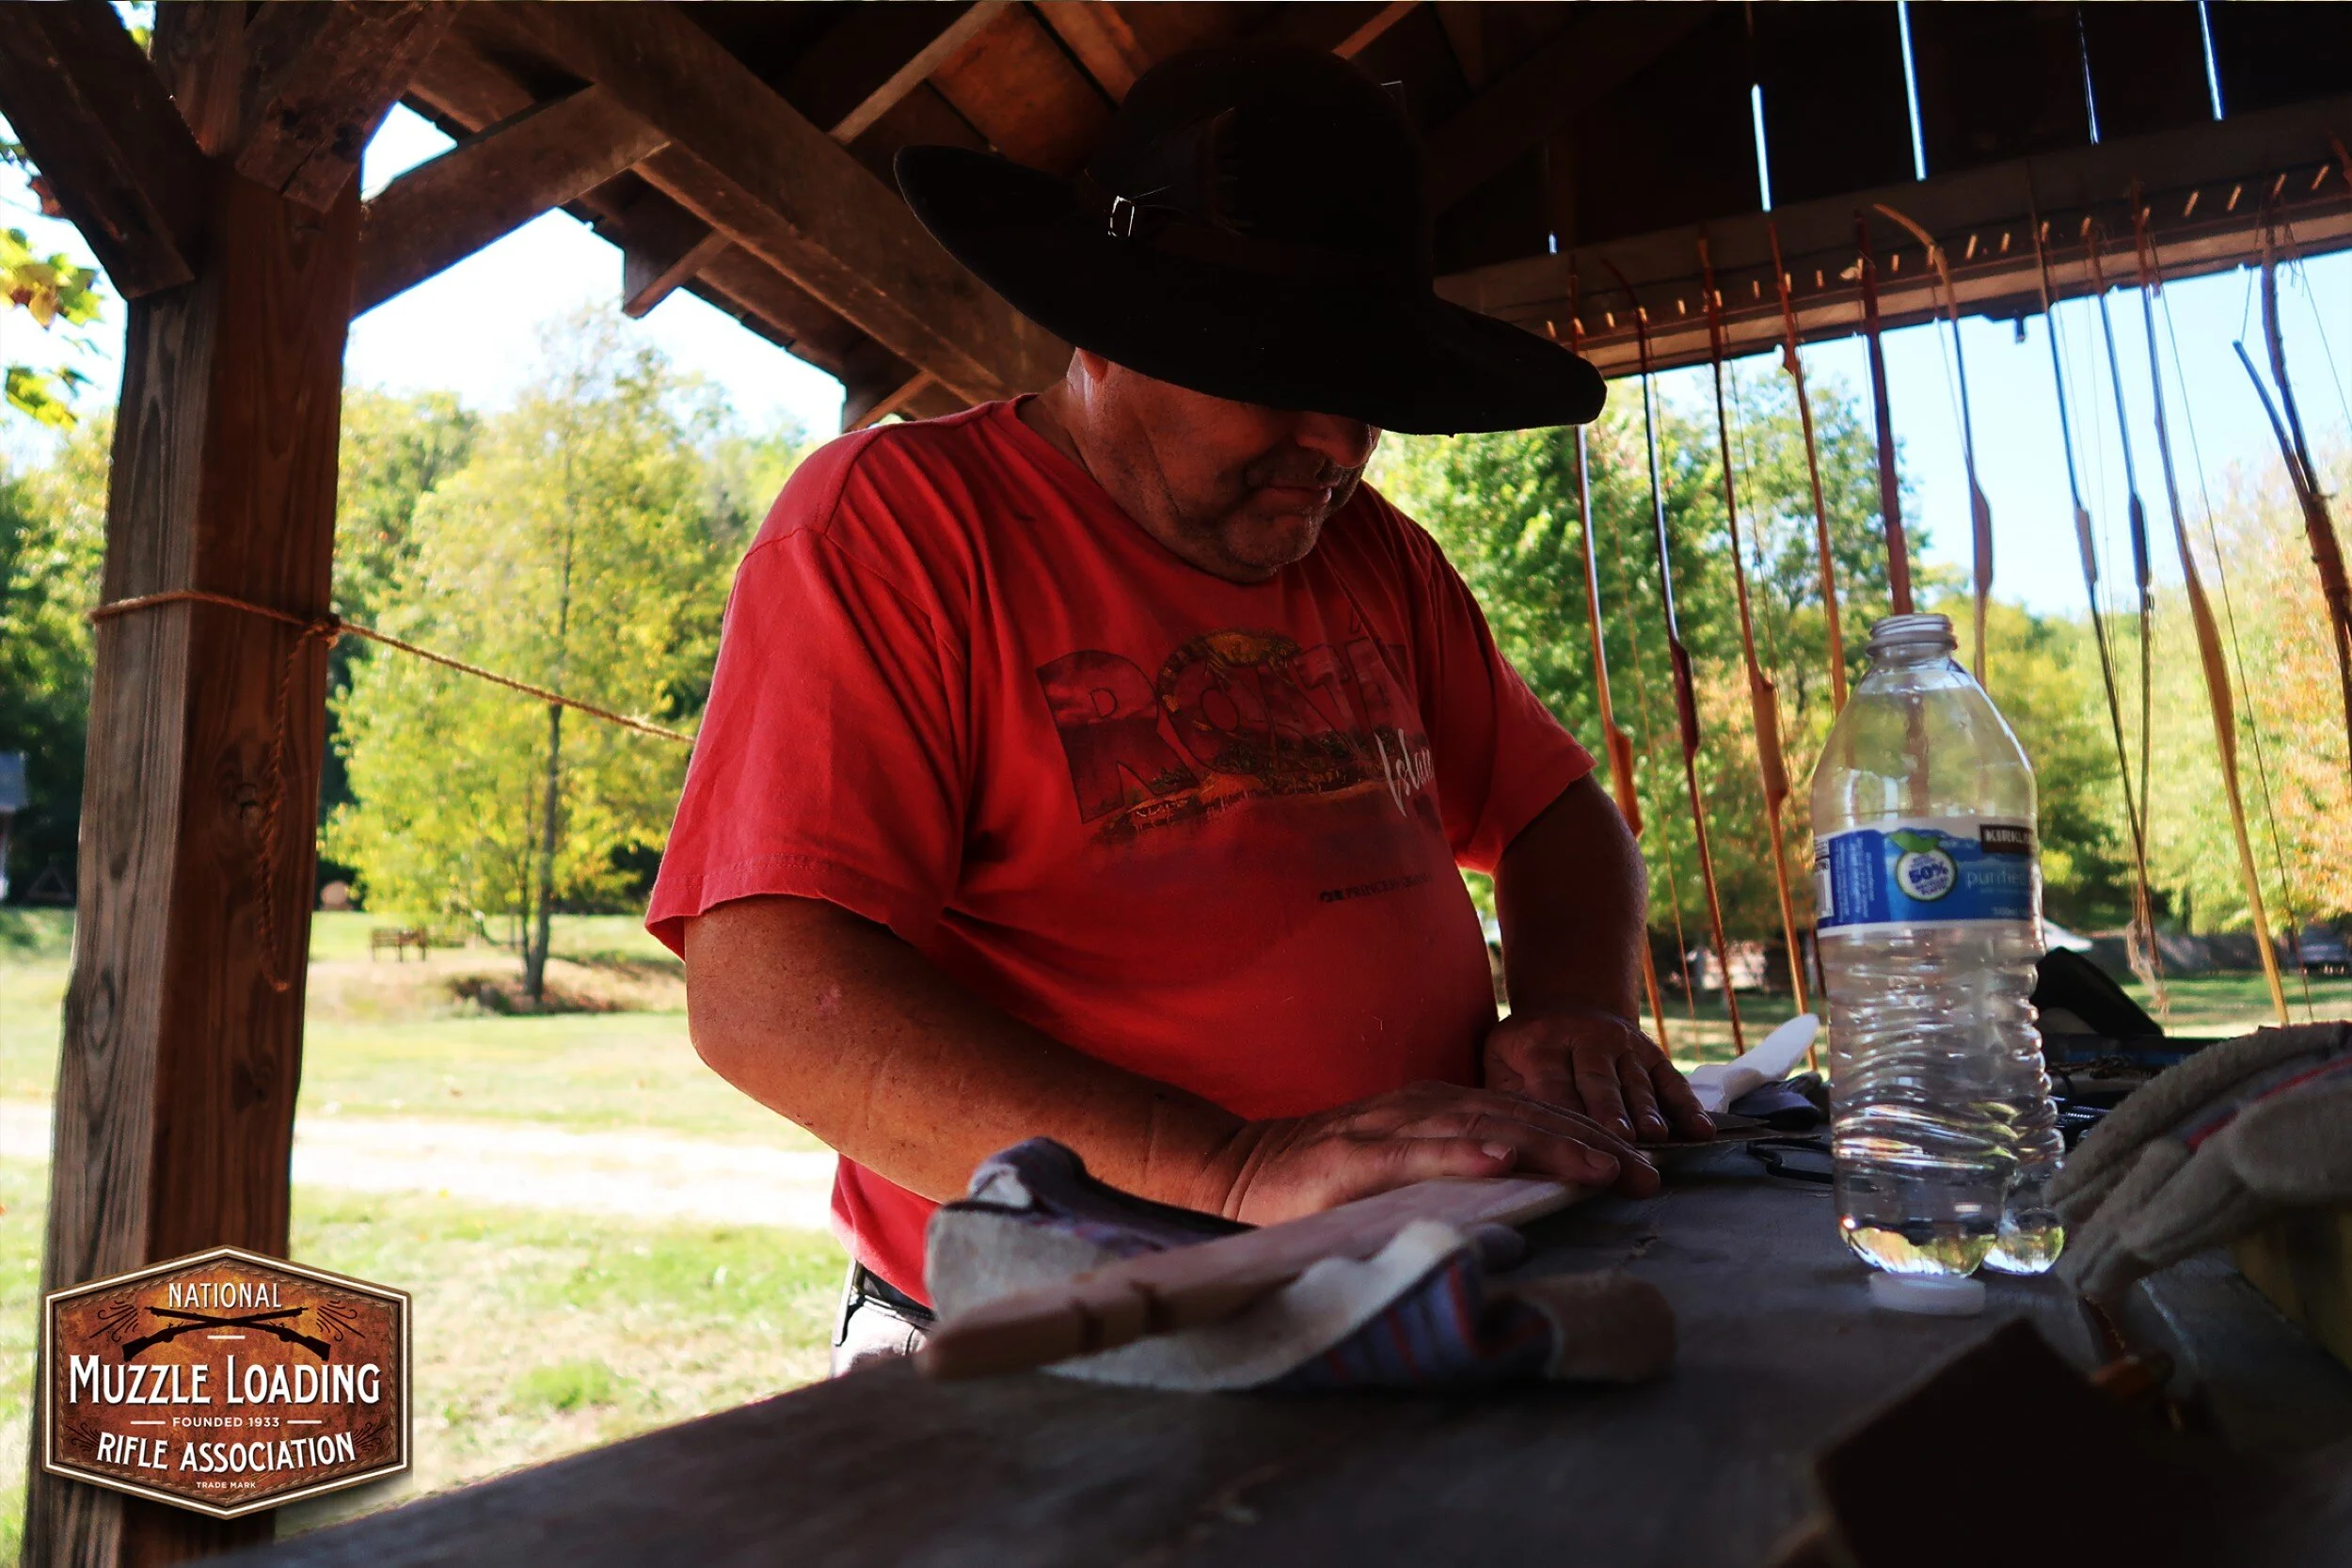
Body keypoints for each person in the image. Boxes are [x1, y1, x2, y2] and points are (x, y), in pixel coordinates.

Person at [646, 41, 1710, 1372]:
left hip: (1412, 1285)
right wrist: (1228, 1166)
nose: (1334, 443)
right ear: (1105, 329)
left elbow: (1558, 814)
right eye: (1270, 374)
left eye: (1363, 392)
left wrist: (1576, 1008)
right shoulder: (901, 530)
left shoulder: (1379, 559)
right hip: (1063, 1334)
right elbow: (766, 995)